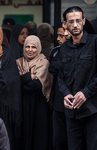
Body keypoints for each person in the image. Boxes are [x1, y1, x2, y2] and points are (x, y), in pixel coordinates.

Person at [58, 6, 97, 150]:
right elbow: (60, 77)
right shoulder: (64, 48)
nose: (75, 25)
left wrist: (85, 93)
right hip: (71, 111)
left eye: (78, 21)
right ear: (65, 24)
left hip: (93, 109)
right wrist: (66, 93)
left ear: (84, 21)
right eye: (71, 21)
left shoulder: (94, 42)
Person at [16, 35, 53, 150]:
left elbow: (34, 86)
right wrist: (30, 76)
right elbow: (14, 82)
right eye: (27, 47)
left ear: (39, 48)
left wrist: (22, 78)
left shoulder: (43, 62)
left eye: (34, 47)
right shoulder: (18, 62)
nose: (30, 50)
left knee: (39, 137)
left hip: (39, 105)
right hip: (22, 105)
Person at [48, 23, 68, 150]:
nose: (58, 39)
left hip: (75, 101)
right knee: (58, 139)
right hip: (58, 102)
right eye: (58, 35)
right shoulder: (55, 51)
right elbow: (52, 68)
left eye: (61, 36)